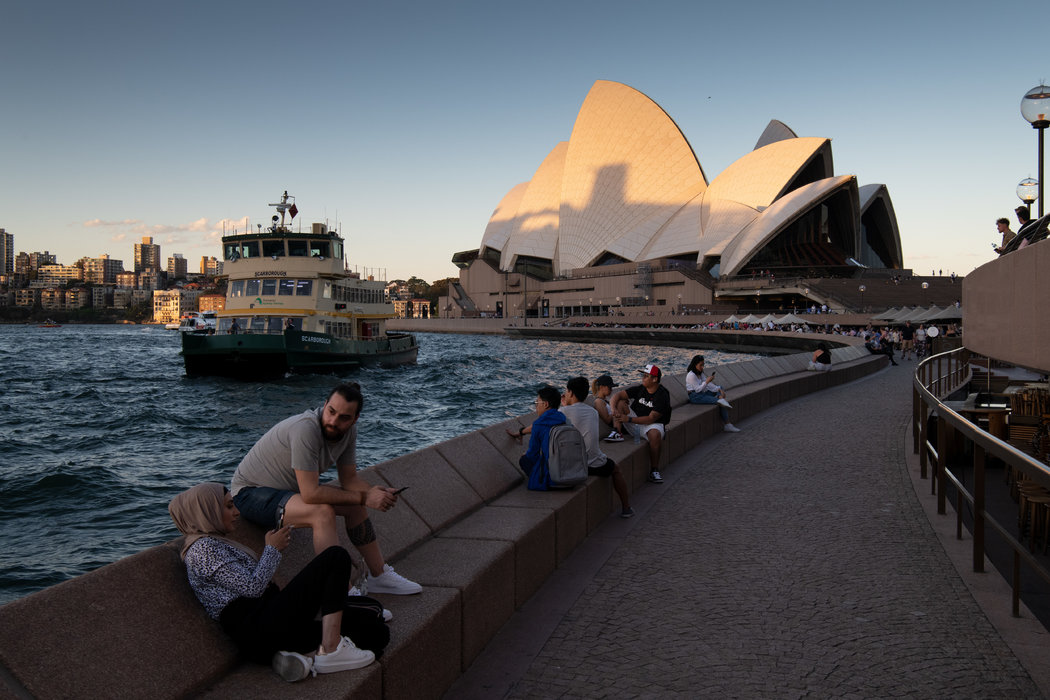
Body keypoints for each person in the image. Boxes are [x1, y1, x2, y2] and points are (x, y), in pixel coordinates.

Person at [169, 483, 388, 682]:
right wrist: (272, 549)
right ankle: (330, 650)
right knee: (335, 557)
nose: (236, 512)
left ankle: (297, 656)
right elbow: (252, 588)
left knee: (376, 632)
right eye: (228, 507)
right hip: (257, 627)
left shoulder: (216, 542)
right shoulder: (202, 550)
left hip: (272, 622)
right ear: (206, 512)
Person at [230, 383, 422, 596]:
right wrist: (364, 496)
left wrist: (376, 493)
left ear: (355, 419)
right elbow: (311, 494)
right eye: (331, 411)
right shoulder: (305, 429)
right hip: (250, 494)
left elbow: (349, 479)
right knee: (322, 512)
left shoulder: (348, 433)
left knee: (355, 505)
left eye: (344, 418)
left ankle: (379, 576)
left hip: (287, 493)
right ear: (324, 405)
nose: (333, 421)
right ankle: (341, 592)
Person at [562, 377, 633, 517]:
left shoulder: (562, 412)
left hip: (573, 465)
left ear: (570, 393)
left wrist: (564, 406)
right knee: (616, 470)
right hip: (594, 464)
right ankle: (626, 508)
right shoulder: (592, 412)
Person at [610, 364, 672, 483]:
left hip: (652, 425)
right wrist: (613, 410)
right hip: (636, 426)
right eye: (643, 375)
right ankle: (616, 432)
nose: (643, 378)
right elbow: (616, 395)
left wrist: (628, 419)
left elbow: (651, 419)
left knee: (655, 435)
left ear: (654, 379)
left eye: (646, 376)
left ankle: (654, 470)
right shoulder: (640, 388)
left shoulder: (662, 395)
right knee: (621, 402)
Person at [507, 385, 568, 490]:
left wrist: (526, 454)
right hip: (568, 471)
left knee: (524, 459)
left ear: (545, 404)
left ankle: (540, 480)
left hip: (552, 478)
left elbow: (532, 455)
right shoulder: (565, 420)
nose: (536, 407)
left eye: (537, 403)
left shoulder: (539, 424)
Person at [684, 355, 741, 432]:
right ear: (695, 364)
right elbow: (697, 390)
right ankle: (728, 424)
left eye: (703, 365)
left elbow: (709, 386)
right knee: (719, 401)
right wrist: (707, 382)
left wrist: (719, 389)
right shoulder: (691, 375)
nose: (702, 367)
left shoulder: (700, 373)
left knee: (720, 387)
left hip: (703, 393)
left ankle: (720, 398)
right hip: (695, 397)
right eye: (700, 365)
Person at [590, 375, 626, 442]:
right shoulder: (598, 402)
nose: (611, 390)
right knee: (620, 403)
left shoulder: (606, 400)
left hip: (624, 422)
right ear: (601, 387)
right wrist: (615, 409)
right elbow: (607, 420)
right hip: (621, 426)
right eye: (610, 388)